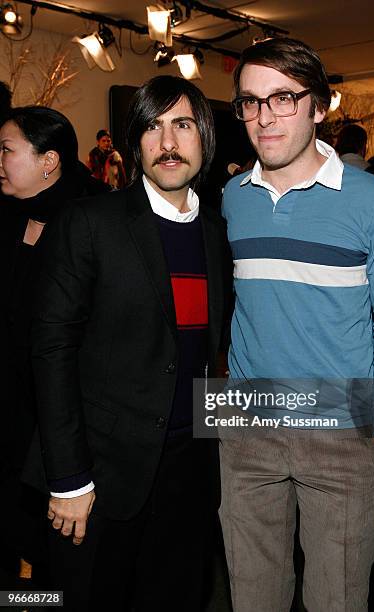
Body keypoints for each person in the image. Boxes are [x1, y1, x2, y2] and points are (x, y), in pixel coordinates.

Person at [220, 37, 374, 612]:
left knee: (338, 600)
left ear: (319, 107)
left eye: (283, 97)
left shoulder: (372, 200)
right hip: (246, 423)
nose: (264, 116)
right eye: (250, 102)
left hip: (341, 429)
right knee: (251, 598)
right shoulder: (233, 197)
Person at [24, 76, 231, 611]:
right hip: (100, 474)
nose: (168, 142)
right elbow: (52, 349)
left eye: (182, 125)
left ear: (204, 137)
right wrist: (69, 478)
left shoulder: (216, 232)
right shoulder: (91, 222)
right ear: (134, 144)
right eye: (152, 127)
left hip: (189, 472)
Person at [0, 106, 109, 584]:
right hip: (9, 403)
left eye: (7, 151)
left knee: (55, 555)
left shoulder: (91, 220)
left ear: (49, 161)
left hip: (57, 413)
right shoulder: (6, 213)